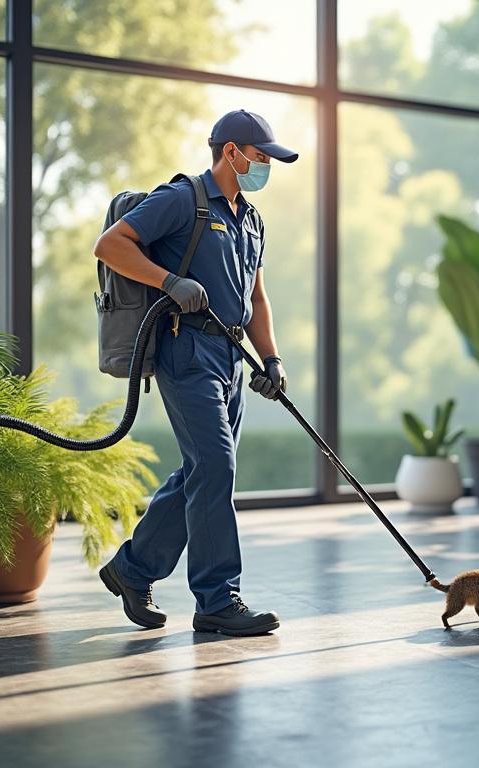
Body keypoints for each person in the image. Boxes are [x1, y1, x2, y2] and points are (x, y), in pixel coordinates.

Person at [93, 109, 297, 636]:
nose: (264, 167)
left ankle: (132, 569)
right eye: (260, 157)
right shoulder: (183, 198)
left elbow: (255, 294)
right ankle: (217, 600)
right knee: (215, 468)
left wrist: (271, 357)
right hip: (186, 354)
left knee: (200, 472)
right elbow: (111, 245)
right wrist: (167, 282)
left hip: (231, 359)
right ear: (231, 152)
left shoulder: (249, 219)